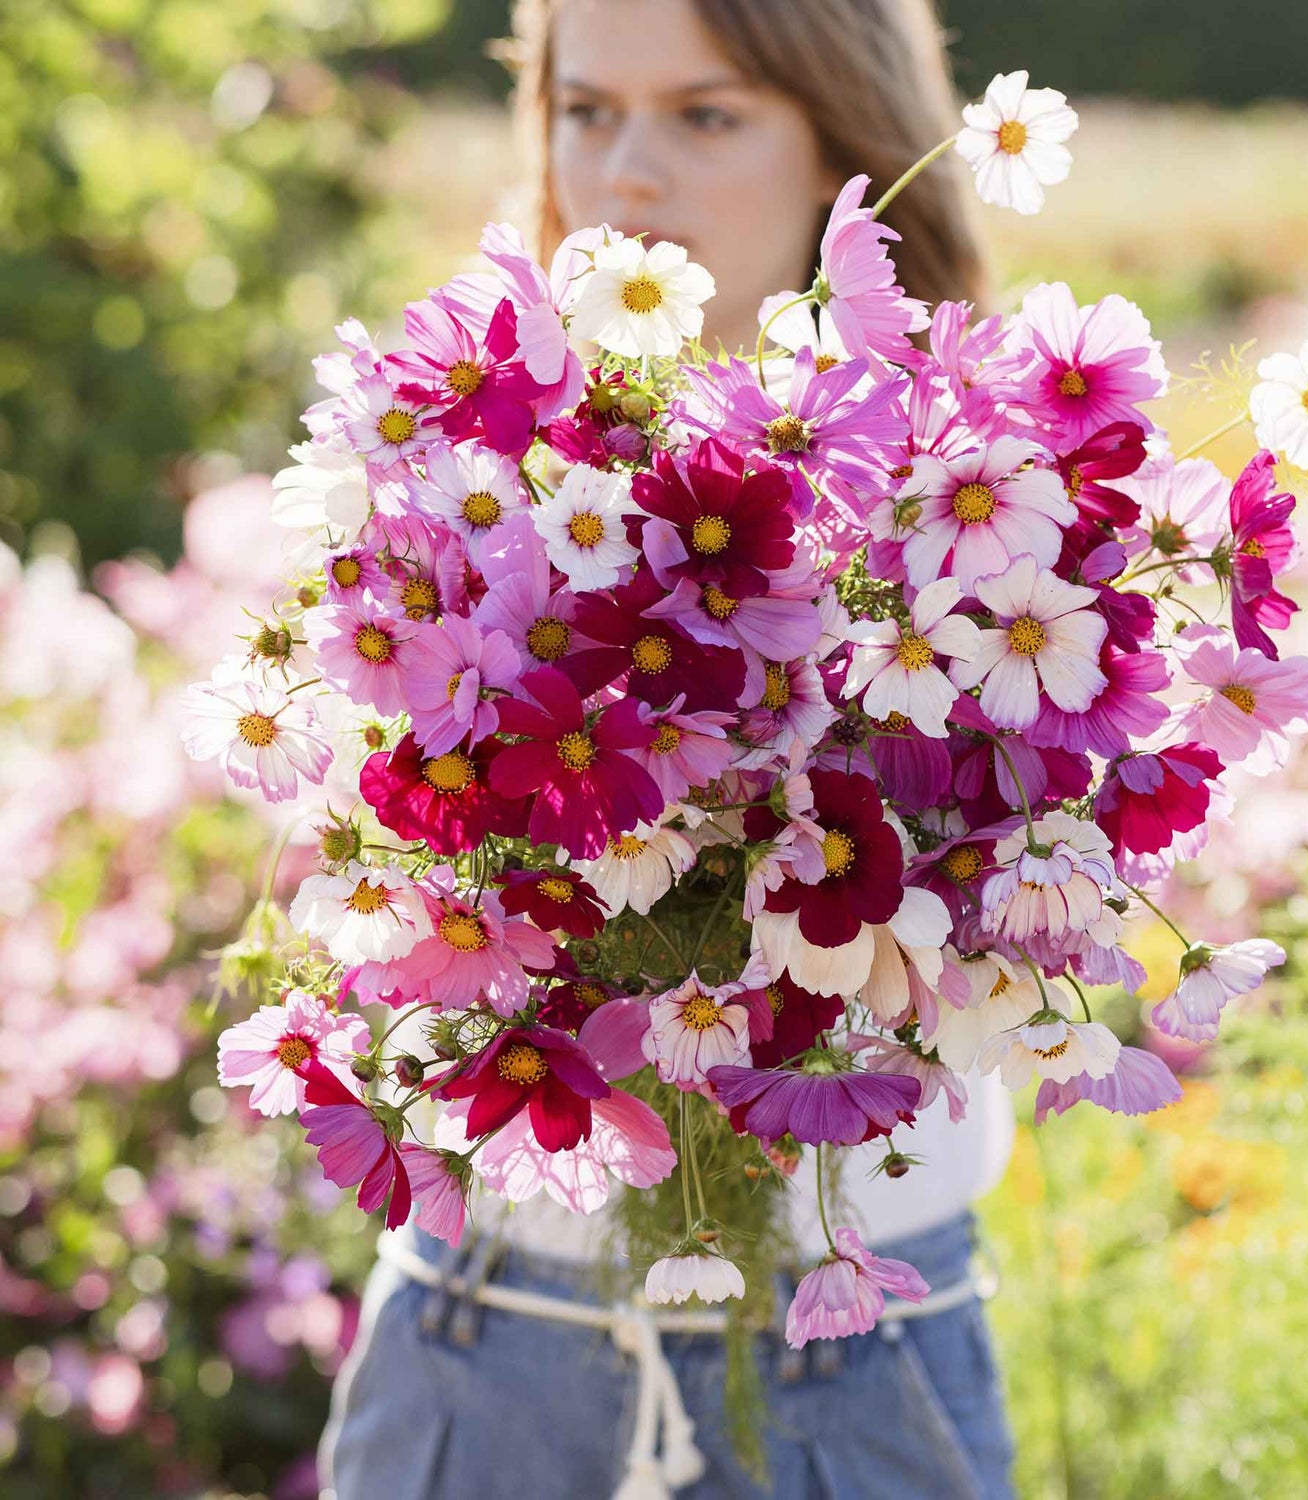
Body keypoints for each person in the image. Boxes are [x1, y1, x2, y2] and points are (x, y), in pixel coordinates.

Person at [319, 2, 1016, 1495]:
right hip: (491, 1334)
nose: (626, 173)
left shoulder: (986, 501)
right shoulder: (445, 476)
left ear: (849, 141)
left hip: (858, 1350)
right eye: (586, 110)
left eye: (707, 115)